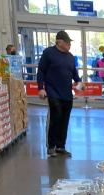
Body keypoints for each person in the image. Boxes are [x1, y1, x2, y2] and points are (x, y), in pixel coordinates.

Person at [36, 30, 82, 158]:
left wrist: (79, 82)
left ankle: (61, 146)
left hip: (67, 93)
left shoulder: (70, 57)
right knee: (55, 117)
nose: (69, 45)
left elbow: (74, 73)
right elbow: (41, 71)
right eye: (67, 42)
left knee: (64, 120)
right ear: (59, 42)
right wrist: (41, 88)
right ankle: (51, 146)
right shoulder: (48, 53)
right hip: (52, 91)